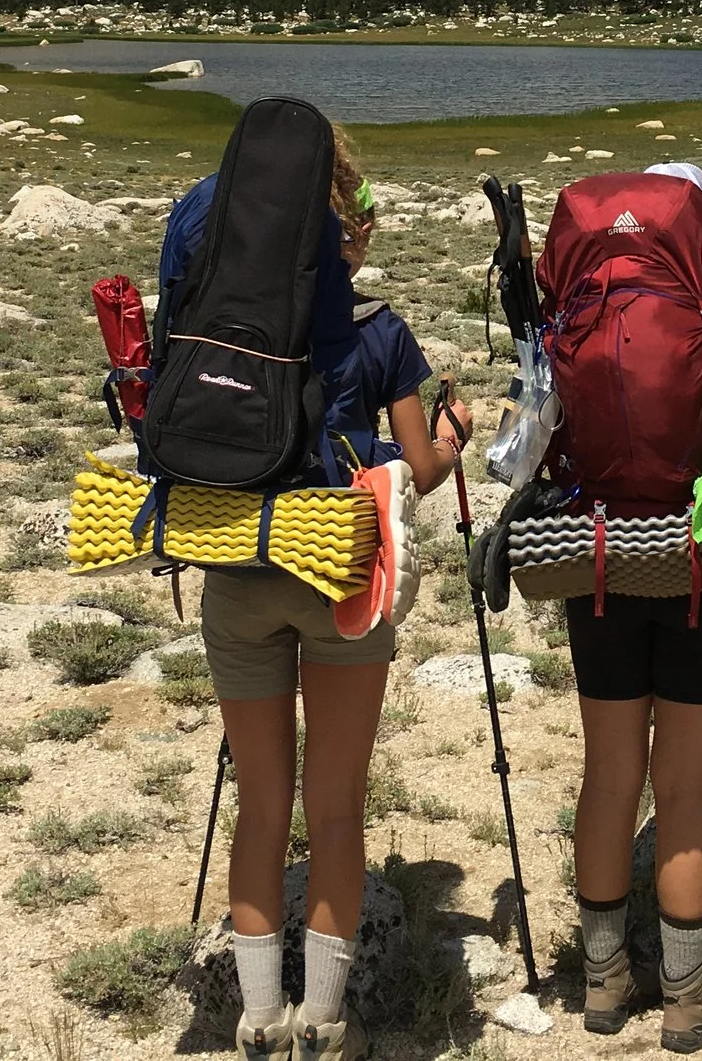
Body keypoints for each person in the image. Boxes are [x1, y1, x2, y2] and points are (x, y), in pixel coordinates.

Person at [157, 124, 472, 1061]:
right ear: (343, 220)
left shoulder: (217, 306)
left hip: (235, 562)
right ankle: (325, 1021)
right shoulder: (377, 333)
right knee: (335, 804)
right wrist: (451, 435)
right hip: (340, 574)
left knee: (262, 802)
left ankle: (258, 1016)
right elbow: (417, 470)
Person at [568, 162, 702, 1053]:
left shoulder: (583, 298)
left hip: (598, 558)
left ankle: (602, 979)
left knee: (609, 773)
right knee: (686, 785)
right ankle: (687, 995)